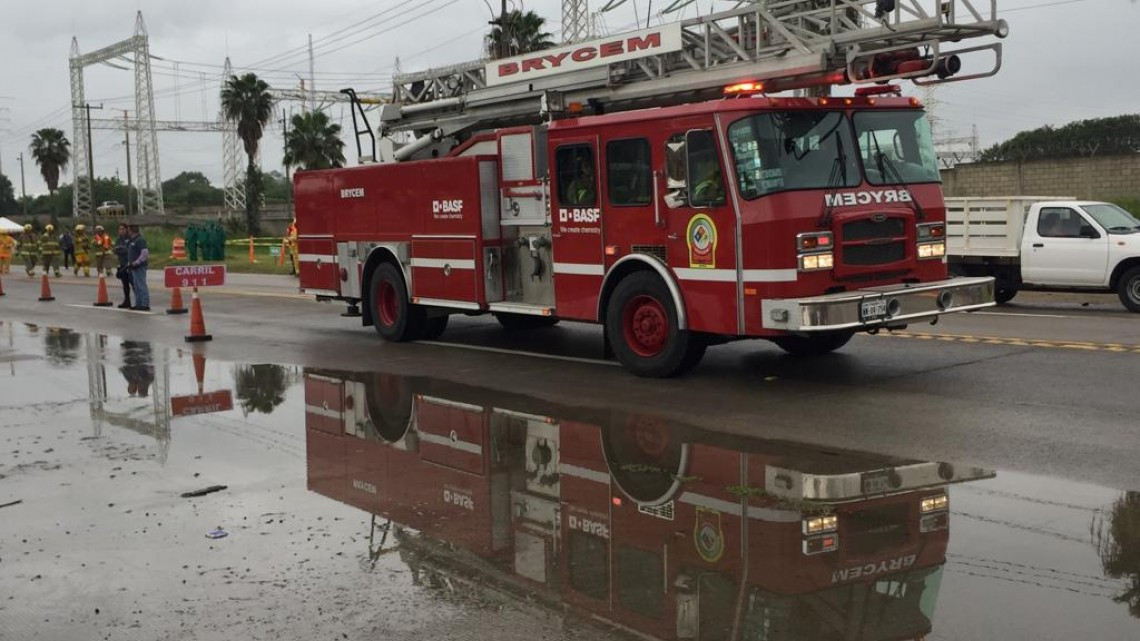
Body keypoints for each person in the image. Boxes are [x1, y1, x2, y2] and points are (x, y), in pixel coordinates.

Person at [126, 224, 150, 311]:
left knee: (141, 285)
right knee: (136, 286)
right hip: (133, 267)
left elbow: (145, 253)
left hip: (139, 267)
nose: (127, 232)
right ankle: (138, 304)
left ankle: (145, 304)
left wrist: (136, 262)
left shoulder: (140, 240)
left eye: (128, 230)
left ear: (132, 230)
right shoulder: (132, 240)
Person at [113, 223, 133, 308]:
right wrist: (121, 250)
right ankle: (127, 301)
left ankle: (140, 301)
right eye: (119, 229)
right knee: (125, 285)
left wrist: (120, 250)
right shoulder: (118, 239)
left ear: (127, 229)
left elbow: (128, 250)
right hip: (122, 264)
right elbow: (115, 250)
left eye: (122, 229)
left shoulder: (131, 239)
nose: (120, 231)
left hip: (130, 264)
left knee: (134, 284)